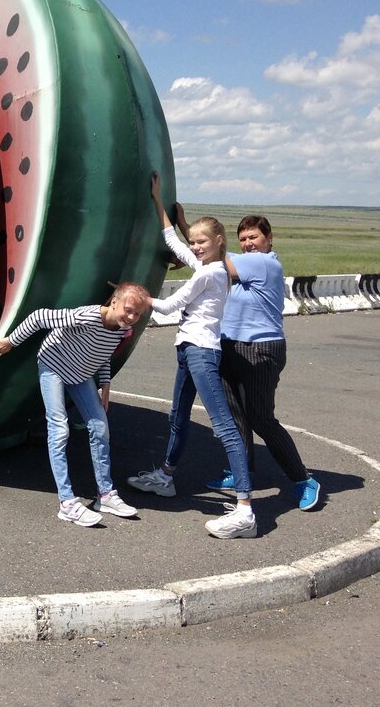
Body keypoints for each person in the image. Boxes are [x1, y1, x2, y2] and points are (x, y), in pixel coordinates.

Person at [128, 173, 257, 539]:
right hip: (187, 349)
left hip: (201, 352)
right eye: (194, 242)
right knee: (178, 416)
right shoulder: (206, 266)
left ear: (219, 241)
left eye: (203, 242)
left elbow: (168, 306)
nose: (196, 247)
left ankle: (245, 510)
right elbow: (173, 240)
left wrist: (137, 296)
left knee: (225, 427)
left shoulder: (210, 274)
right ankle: (165, 477)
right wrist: (159, 200)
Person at [0, 283, 151, 527]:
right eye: (128, 310)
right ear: (114, 302)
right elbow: (39, 317)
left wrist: (106, 383)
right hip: (54, 366)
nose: (131, 317)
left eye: (137, 314)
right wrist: (11, 341)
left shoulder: (122, 329)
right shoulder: (88, 316)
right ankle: (67, 503)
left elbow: (102, 354)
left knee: (100, 428)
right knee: (59, 430)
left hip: (81, 375)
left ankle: (105, 496)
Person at [199, 213, 321, 511]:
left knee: (261, 419)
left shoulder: (264, 263)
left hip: (261, 349)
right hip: (229, 345)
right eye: (242, 239)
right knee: (235, 417)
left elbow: (211, 258)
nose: (248, 243)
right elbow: (209, 255)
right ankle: (241, 473)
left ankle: (304, 480)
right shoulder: (241, 262)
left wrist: (190, 236)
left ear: (269, 238)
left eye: (253, 237)